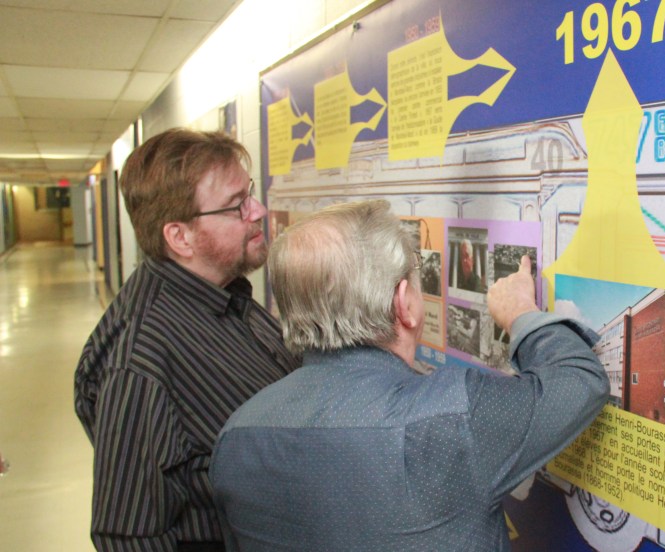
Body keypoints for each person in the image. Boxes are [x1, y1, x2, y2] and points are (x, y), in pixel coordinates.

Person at [210, 200, 610, 551]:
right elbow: (578, 380)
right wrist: (521, 311)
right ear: (404, 305)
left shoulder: (236, 435)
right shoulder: (450, 417)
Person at [74, 128, 299, 551]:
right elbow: (128, 535)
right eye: (237, 204)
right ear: (179, 237)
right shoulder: (138, 363)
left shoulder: (224, 294)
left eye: (249, 193)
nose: (258, 210)